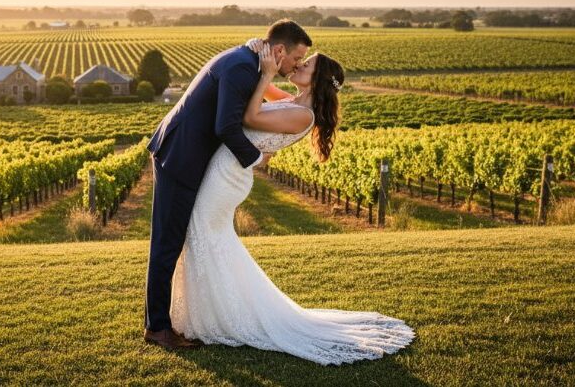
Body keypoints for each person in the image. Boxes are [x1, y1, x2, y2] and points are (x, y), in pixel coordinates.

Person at [165, 40, 415, 365]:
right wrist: (257, 49)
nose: (299, 65)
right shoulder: (293, 102)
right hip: (227, 168)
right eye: (301, 60)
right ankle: (214, 311)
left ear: (317, 79)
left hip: (228, 176)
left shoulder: (302, 116)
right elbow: (263, 87)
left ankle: (217, 316)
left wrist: (268, 73)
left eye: (306, 65)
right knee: (206, 236)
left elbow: (251, 116)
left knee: (203, 233)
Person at [144, 20, 312, 350]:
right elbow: (226, 126)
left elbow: (271, 104)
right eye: (296, 58)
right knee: (167, 242)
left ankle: (163, 321)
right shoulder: (242, 68)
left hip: (189, 154)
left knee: (173, 239)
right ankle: (158, 328)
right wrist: (257, 159)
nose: (296, 65)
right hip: (180, 155)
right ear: (279, 50)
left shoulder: (249, 61)